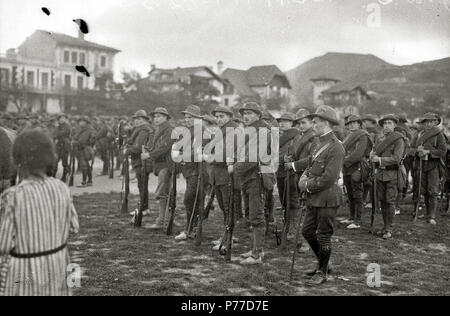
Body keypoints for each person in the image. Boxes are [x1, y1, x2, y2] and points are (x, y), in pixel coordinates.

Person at [0, 129, 79, 296]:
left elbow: (4, 244)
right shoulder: (62, 188)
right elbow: (74, 226)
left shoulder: (13, 196)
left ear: (18, 160)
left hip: (25, 271)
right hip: (58, 263)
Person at [287, 105, 345, 286]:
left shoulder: (336, 147)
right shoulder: (319, 143)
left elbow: (329, 178)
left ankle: (322, 271)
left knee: (323, 235)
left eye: (316, 121)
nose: (313, 124)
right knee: (307, 231)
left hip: (328, 198)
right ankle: (323, 263)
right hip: (315, 197)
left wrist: (307, 186)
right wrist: (303, 176)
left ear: (326, 123)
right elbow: (311, 165)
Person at [234, 102, 276, 265]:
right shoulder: (252, 130)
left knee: (256, 216)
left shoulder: (262, 131)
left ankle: (257, 255)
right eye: (244, 113)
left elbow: (253, 157)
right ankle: (255, 250)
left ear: (258, 115)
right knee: (252, 214)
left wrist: (234, 168)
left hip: (256, 178)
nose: (246, 116)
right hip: (249, 177)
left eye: (250, 113)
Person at [174, 105, 208, 241]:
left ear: (197, 119)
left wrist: (183, 155)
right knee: (191, 201)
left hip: (199, 171)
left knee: (191, 199)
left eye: (190, 117)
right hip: (189, 171)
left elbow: (198, 151)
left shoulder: (203, 132)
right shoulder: (186, 131)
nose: (187, 119)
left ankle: (193, 228)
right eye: (186, 117)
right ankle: (191, 228)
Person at [208, 106, 239, 250]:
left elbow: (225, 154)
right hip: (218, 175)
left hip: (227, 175)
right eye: (217, 116)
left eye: (222, 116)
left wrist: (209, 157)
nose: (218, 119)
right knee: (224, 207)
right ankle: (227, 235)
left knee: (228, 208)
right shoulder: (222, 130)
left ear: (229, 117)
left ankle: (228, 238)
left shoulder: (232, 130)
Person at [370, 114, 406, 239]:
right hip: (380, 174)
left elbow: (396, 159)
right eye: (385, 123)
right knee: (383, 202)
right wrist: (372, 157)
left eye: (389, 123)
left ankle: (389, 229)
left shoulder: (399, 139)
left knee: (390, 202)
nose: (386, 125)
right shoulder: (380, 139)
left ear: (395, 125)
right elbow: (374, 153)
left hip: (392, 174)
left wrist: (379, 159)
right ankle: (384, 226)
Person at [410, 113, 447, 225]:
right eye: (426, 122)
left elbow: (442, 151)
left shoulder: (438, 134)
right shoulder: (418, 134)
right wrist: (417, 151)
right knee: (423, 190)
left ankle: (431, 216)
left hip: (433, 166)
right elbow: (410, 149)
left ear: (435, 122)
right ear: (423, 123)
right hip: (420, 165)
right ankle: (425, 213)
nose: (428, 124)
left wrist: (428, 152)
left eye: (431, 121)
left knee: (432, 191)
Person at [142, 108, 174, 229]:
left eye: (159, 116)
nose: (156, 118)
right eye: (155, 116)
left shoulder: (169, 130)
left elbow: (164, 148)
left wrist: (149, 155)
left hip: (166, 165)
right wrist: (149, 150)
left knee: (162, 193)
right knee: (164, 193)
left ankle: (162, 221)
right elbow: (157, 146)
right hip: (161, 165)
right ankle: (166, 220)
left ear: (166, 118)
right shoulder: (158, 129)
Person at [341, 115, 372, 230]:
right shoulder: (348, 136)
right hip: (347, 168)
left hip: (357, 167)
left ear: (359, 124)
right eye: (349, 123)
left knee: (357, 194)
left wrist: (343, 161)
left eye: (354, 123)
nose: (351, 125)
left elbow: (358, 154)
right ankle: (351, 217)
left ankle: (357, 220)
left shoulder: (363, 135)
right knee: (349, 194)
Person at [125, 110, 154, 217]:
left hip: (142, 161)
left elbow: (137, 147)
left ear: (145, 120)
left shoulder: (143, 130)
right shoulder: (140, 129)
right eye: (135, 119)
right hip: (141, 160)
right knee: (142, 185)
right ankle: (144, 208)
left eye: (139, 119)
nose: (136, 121)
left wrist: (127, 151)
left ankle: (144, 208)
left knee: (142, 185)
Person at [275, 113, 300, 239]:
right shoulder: (279, 136)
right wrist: (280, 159)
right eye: (280, 121)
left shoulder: (295, 136)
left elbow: (293, 154)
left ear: (292, 123)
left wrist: (281, 159)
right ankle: (287, 225)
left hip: (291, 172)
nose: (282, 123)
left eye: (286, 121)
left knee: (293, 201)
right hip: (279, 171)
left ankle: (293, 229)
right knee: (284, 201)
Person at [73, 116, 96, 187]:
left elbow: (82, 141)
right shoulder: (86, 129)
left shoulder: (87, 130)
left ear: (86, 122)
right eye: (80, 121)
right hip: (88, 149)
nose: (80, 123)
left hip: (84, 149)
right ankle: (90, 181)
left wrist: (74, 142)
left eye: (82, 121)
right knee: (88, 166)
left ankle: (84, 182)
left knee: (84, 166)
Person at [54, 113, 71, 182]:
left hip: (65, 145)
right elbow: (54, 134)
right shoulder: (57, 127)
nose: (61, 120)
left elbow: (63, 133)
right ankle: (53, 176)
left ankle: (64, 177)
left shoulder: (67, 126)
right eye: (60, 118)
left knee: (64, 163)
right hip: (58, 146)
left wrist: (58, 132)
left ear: (65, 119)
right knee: (55, 161)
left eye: (63, 118)